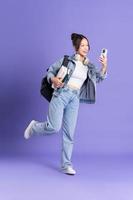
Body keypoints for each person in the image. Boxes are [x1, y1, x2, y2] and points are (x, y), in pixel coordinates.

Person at [24, 33, 107, 175]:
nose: (86, 48)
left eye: (87, 45)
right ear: (76, 47)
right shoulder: (66, 60)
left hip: (75, 98)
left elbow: (99, 78)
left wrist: (104, 66)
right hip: (61, 94)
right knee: (54, 127)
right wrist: (53, 80)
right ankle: (34, 127)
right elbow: (50, 72)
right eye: (82, 45)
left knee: (69, 133)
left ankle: (66, 165)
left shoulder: (89, 66)